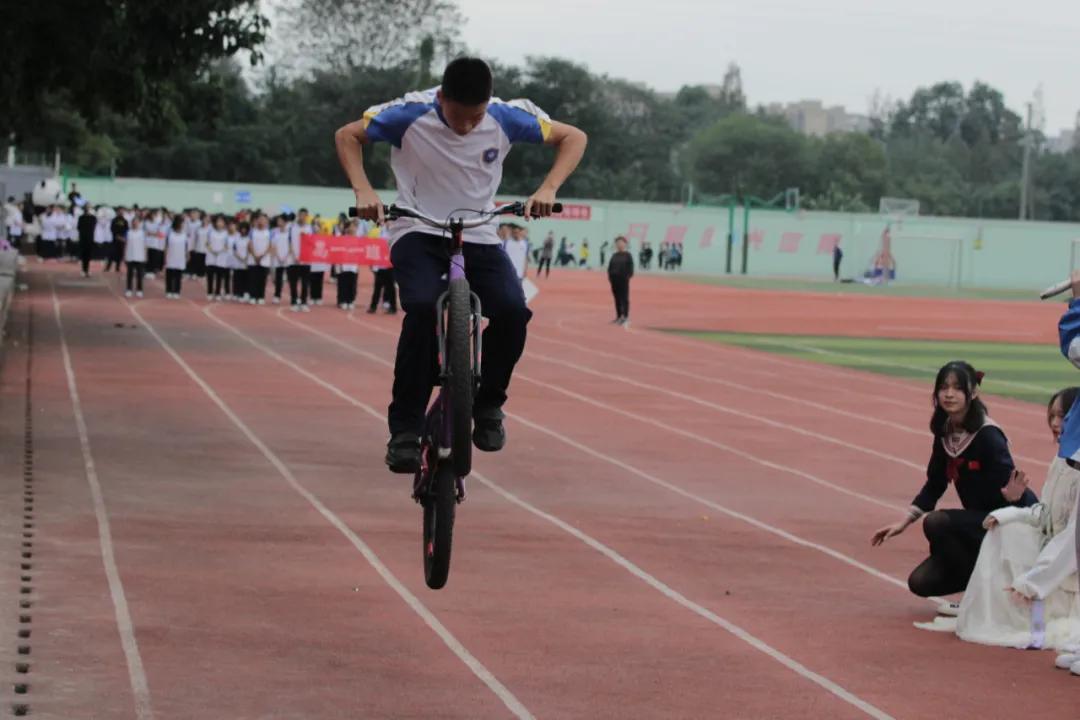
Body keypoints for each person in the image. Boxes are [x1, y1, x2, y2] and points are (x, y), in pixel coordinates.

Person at [335, 56, 587, 472]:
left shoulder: (506, 116)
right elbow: (348, 135)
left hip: (479, 231)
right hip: (418, 228)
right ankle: (405, 431)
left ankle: (488, 406)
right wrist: (363, 191)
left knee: (513, 311)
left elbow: (573, 136)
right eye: (459, 116)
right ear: (441, 97)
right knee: (421, 309)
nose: (468, 126)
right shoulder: (409, 113)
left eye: (477, 117)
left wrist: (549, 187)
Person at [920, 387, 1080, 650]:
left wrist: (1034, 583)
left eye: (1063, 417)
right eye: (1051, 415)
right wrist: (1005, 514)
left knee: (1015, 539)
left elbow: (1073, 538)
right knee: (1005, 530)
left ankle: (1019, 606)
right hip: (1055, 550)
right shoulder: (1063, 462)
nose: (1055, 423)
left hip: (1068, 566)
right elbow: (1045, 514)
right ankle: (982, 603)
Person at [871, 361, 1037, 607]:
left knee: (937, 522)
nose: (949, 394)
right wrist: (903, 523)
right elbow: (935, 483)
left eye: (958, 388)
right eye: (943, 387)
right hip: (978, 522)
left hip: (1007, 520)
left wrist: (1013, 498)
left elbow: (1011, 487)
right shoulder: (945, 433)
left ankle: (982, 592)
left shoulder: (988, 435)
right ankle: (976, 585)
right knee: (921, 582)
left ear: (973, 392)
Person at [607, 235, 633, 325]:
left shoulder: (628, 255)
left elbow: (630, 269)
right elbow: (610, 267)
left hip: (623, 280)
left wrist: (627, 277)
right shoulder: (614, 255)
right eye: (617, 243)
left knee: (624, 298)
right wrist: (610, 278)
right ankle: (618, 316)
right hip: (614, 280)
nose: (619, 244)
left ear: (625, 244)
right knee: (617, 298)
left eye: (621, 243)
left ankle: (625, 317)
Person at [247, 214, 272, 305]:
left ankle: (261, 296)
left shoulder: (269, 232)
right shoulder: (252, 231)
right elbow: (249, 244)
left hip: (264, 260)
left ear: (266, 222)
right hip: (253, 259)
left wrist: (262, 255)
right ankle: (252, 296)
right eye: (259, 219)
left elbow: (270, 245)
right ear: (256, 221)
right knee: (253, 279)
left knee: (262, 279)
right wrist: (254, 255)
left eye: (263, 220)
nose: (261, 221)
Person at [164, 215, 190, 299]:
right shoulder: (170, 233)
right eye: (181, 223)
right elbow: (166, 246)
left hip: (180, 257)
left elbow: (186, 246)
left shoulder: (184, 234)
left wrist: (187, 254)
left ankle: (177, 291)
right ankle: (168, 290)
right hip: (171, 256)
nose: (182, 225)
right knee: (170, 275)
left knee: (178, 275)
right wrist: (165, 256)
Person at [206, 215, 230, 301]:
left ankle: (217, 292)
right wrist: (212, 250)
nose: (219, 223)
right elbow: (207, 243)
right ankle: (209, 292)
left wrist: (220, 251)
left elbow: (227, 245)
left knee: (219, 276)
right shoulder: (210, 232)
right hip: (211, 256)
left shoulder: (226, 233)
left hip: (221, 256)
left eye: (221, 222)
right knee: (210, 275)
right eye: (218, 221)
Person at [124, 216, 147, 298]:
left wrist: (145, 255)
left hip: (140, 256)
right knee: (129, 274)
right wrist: (124, 255)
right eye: (134, 222)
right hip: (130, 256)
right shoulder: (128, 232)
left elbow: (145, 245)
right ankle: (129, 289)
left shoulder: (142, 233)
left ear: (139, 223)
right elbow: (126, 244)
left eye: (137, 222)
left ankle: (139, 290)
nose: (135, 223)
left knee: (139, 275)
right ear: (132, 223)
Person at [76, 205, 96, 277]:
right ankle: (84, 269)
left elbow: (79, 227)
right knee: (84, 255)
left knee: (88, 255)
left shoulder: (92, 218)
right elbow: (78, 227)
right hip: (84, 238)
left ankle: (86, 269)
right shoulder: (81, 217)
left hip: (88, 238)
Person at [107, 208, 128, 273]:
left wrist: (123, 238)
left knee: (120, 254)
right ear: (117, 212)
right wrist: (116, 236)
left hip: (122, 240)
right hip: (114, 239)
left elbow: (126, 230)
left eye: (122, 212)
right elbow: (112, 229)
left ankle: (117, 268)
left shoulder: (125, 221)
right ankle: (108, 267)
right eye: (120, 211)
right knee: (111, 254)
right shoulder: (114, 220)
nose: (121, 213)